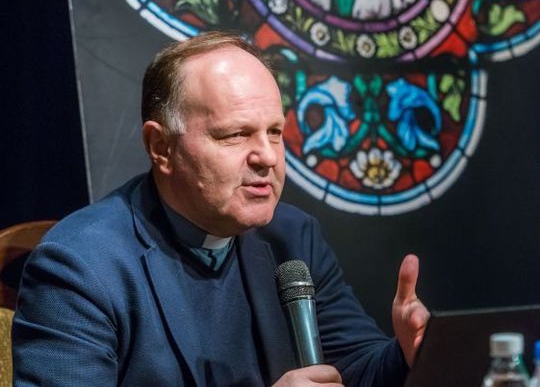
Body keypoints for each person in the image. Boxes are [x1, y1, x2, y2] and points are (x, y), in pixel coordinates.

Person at [12, 31, 429, 386]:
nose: (267, 157)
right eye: (235, 134)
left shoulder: (293, 236)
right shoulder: (81, 266)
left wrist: (411, 354)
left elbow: (353, 367)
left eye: (275, 132)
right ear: (161, 147)